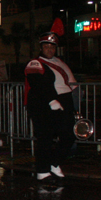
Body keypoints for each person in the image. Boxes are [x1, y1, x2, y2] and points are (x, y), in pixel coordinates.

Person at [25, 18, 77, 184]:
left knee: (69, 136)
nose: (49, 49)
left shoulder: (59, 62)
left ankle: (54, 163)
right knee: (45, 138)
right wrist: (52, 100)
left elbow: (72, 84)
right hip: (43, 105)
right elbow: (38, 84)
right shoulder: (35, 63)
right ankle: (42, 170)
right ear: (41, 47)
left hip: (64, 103)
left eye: (52, 46)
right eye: (46, 46)